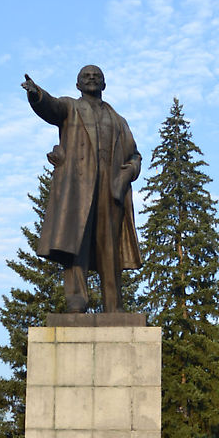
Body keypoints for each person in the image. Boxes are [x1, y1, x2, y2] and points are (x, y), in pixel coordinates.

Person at [22, 66, 142, 313]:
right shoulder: (71, 108)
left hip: (111, 191)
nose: (91, 79)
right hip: (78, 189)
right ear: (77, 85)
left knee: (110, 249)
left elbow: (135, 156)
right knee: (76, 244)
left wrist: (127, 173)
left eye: (96, 76)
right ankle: (76, 301)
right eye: (86, 76)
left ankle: (114, 306)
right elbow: (51, 107)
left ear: (104, 85)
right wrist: (36, 94)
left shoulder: (119, 121)